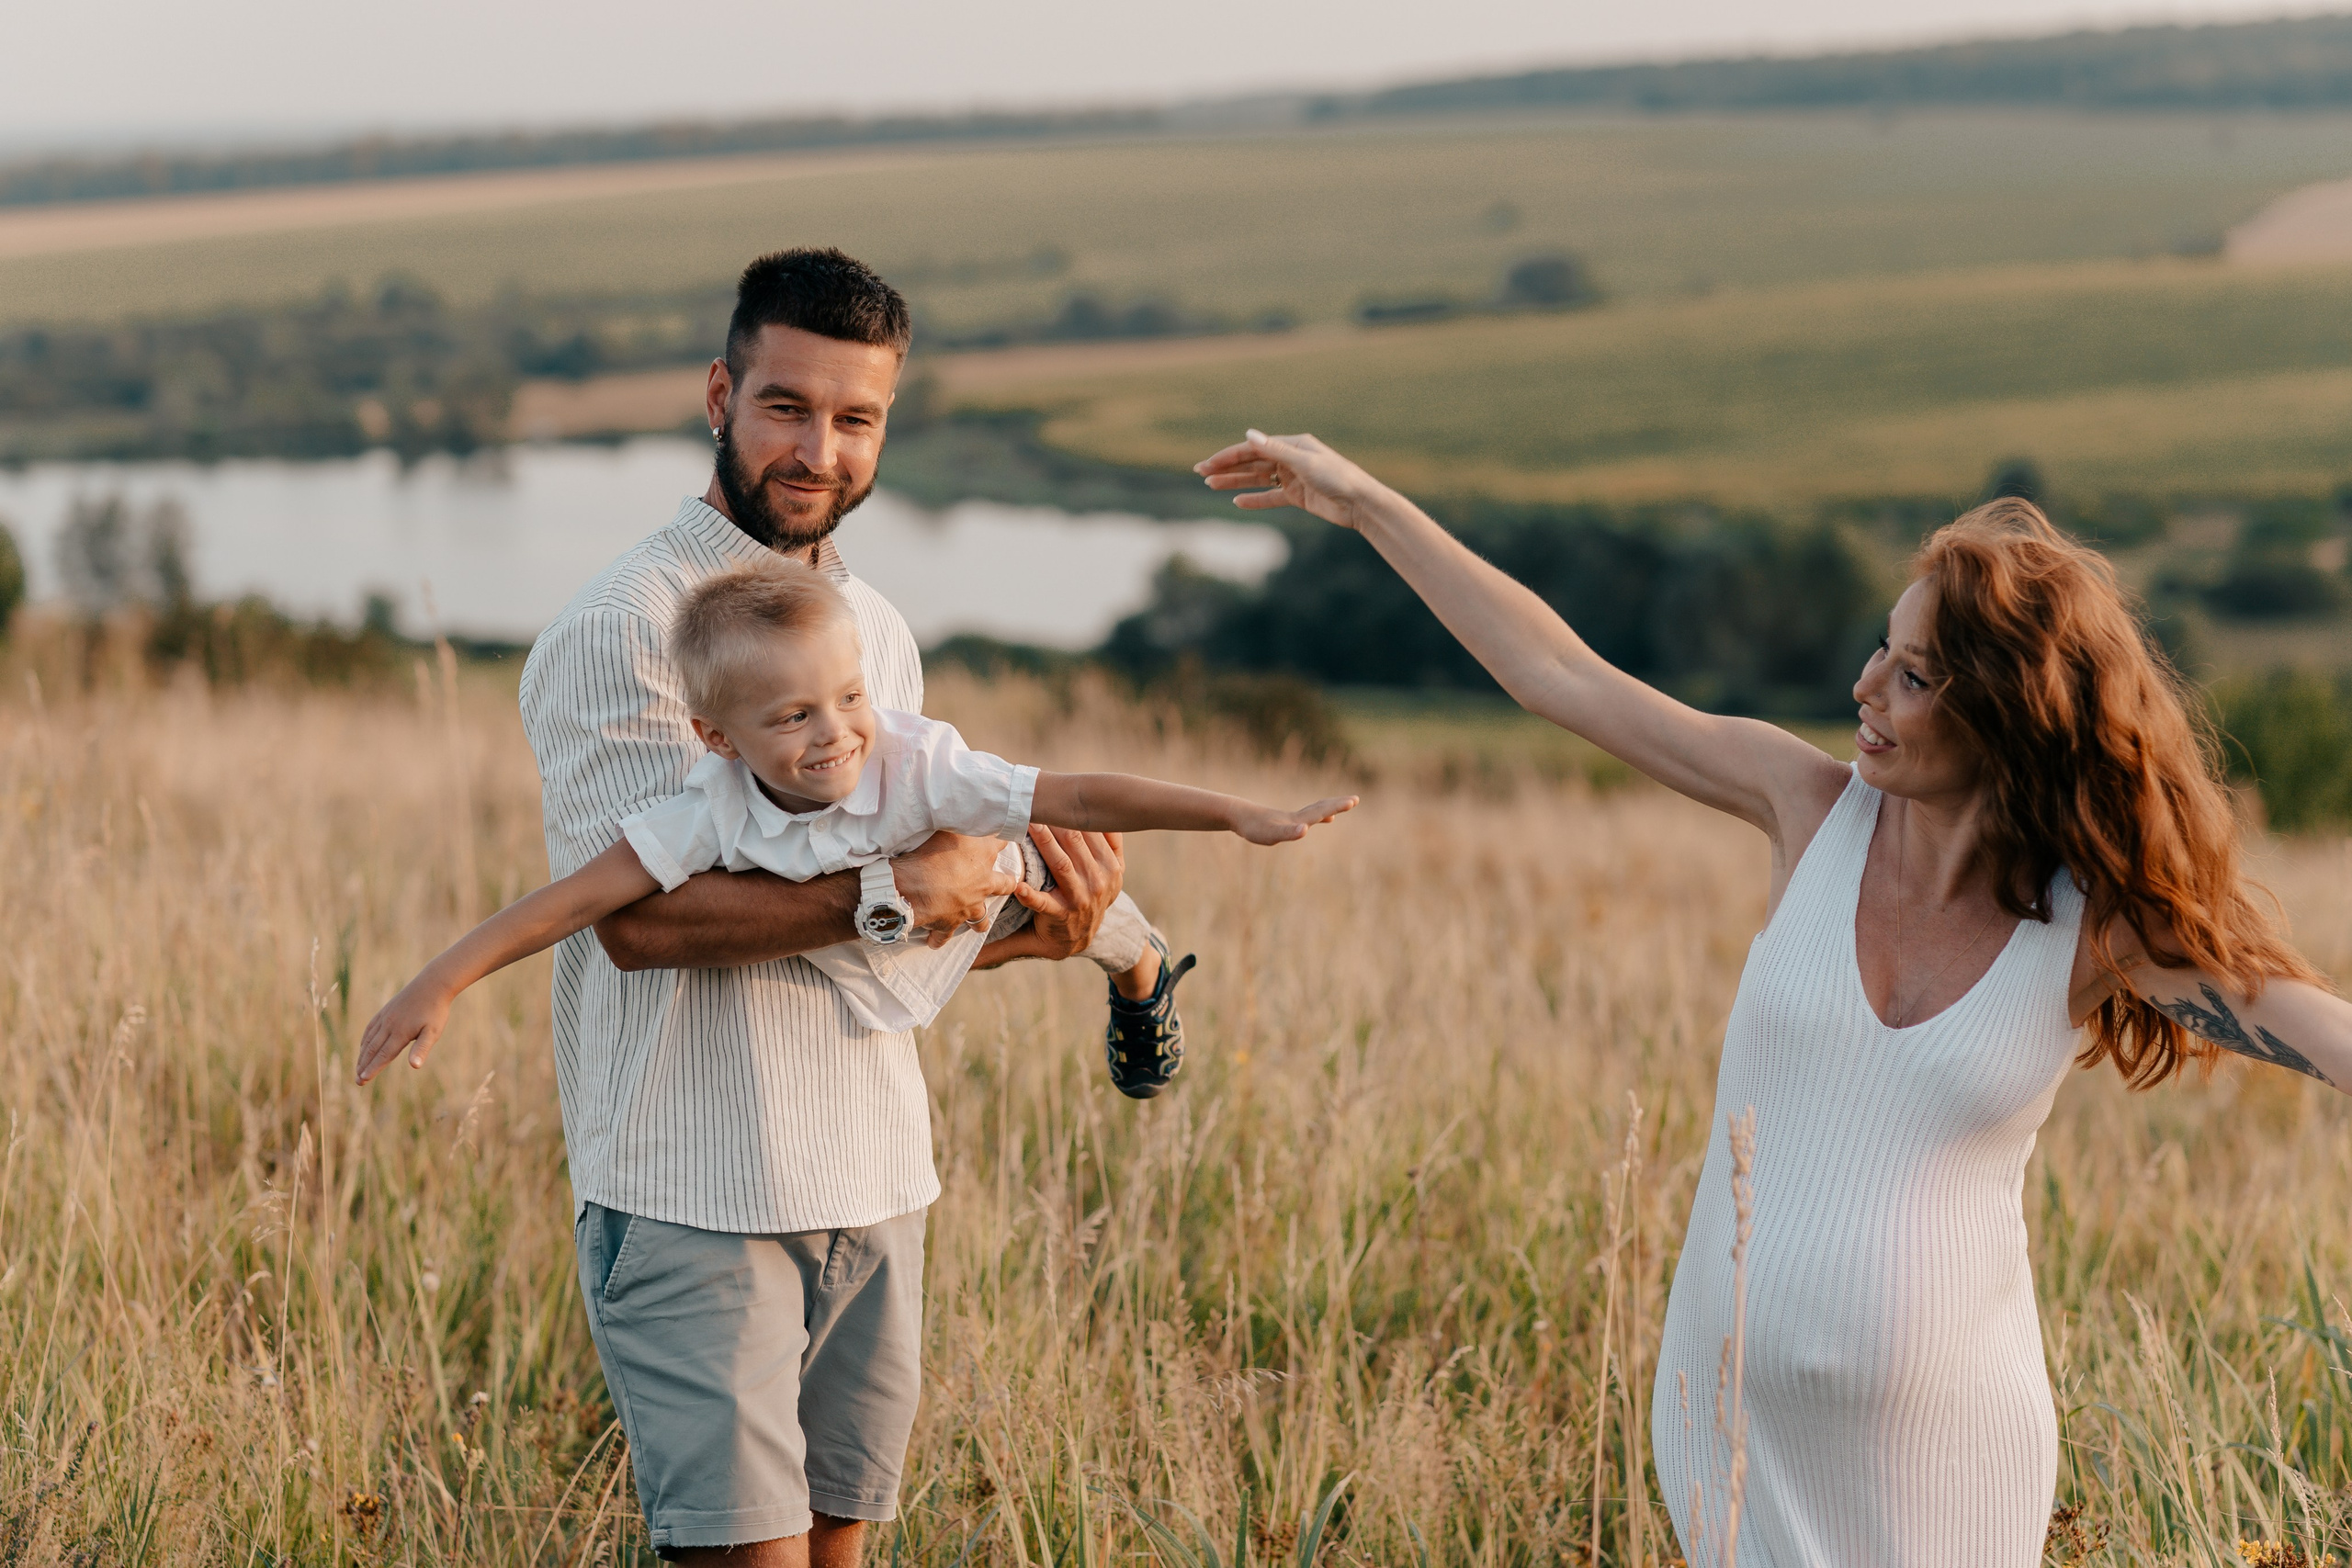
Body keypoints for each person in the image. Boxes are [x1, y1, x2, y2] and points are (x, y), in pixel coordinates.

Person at [1194, 429, 2352, 1568]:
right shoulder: (1803, 807)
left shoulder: (2090, 926)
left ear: (2009, 709)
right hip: (1736, 1433)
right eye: (1878, 651)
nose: (1863, 689)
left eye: (1911, 676)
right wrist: (1364, 502)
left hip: (1947, 1459)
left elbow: (2304, 1021)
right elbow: (1558, 676)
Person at [509, 247, 1184, 1568]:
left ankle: (1144, 962)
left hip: (873, 1176)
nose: (818, 447)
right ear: (720, 393)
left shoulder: (873, 626)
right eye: (786, 406)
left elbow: (868, 926)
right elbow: (639, 923)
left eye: (855, 417)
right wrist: (894, 890)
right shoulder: (623, 624)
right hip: (694, 1184)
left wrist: (1024, 928)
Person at [354, 557, 1351, 1081]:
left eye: (849, 699)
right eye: (791, 717)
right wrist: (441, 982)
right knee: (886, 937)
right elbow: (580, 899)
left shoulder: (917, 761)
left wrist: (1237, 815)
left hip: (991, 878)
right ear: (714, 737)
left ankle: (1140, 970)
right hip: (885, 925)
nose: (835, 736)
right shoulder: (712, 808)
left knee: (1067, 905)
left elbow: (1079, 795)